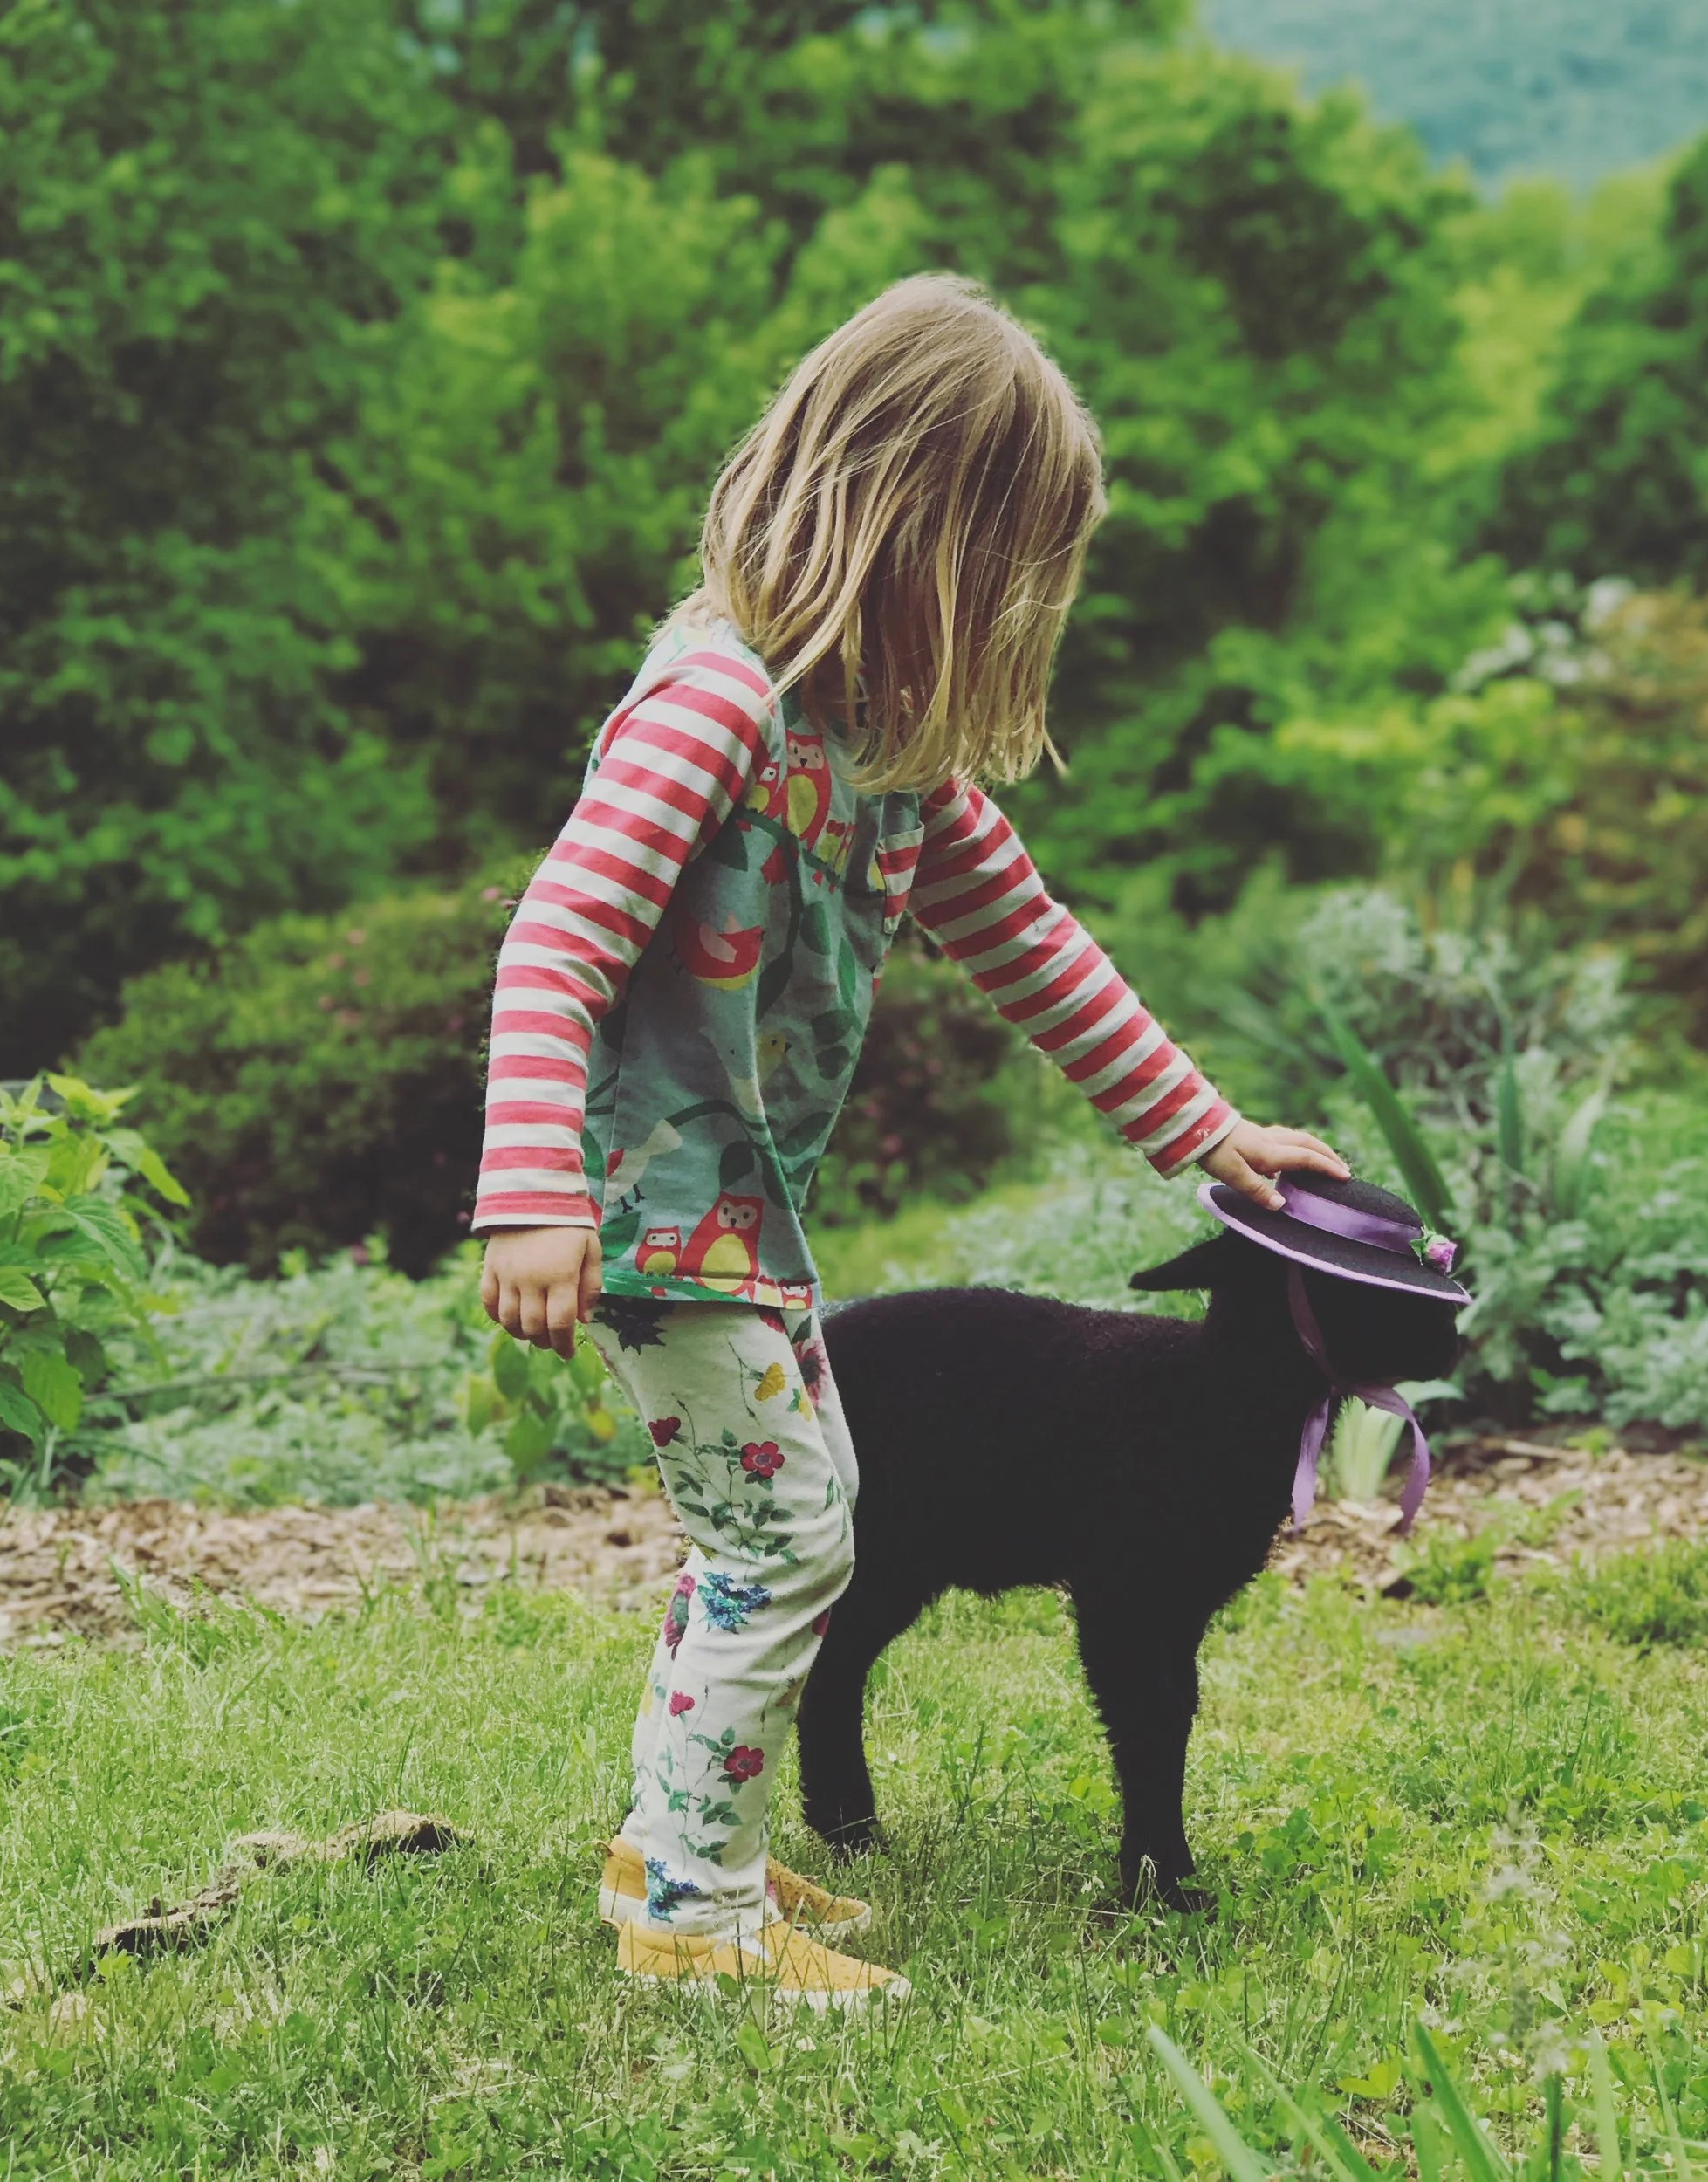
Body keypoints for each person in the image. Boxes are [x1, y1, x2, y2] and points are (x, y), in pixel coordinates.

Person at [473, 273, 1346, 2006]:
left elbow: (1035, 947)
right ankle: (693, 1916)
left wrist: (1210, 1136)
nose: (1020, 621)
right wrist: (530, 1189)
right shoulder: (714, 706)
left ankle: (675, 1844)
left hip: (741, 1222)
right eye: (1010, 574)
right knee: (787, 1543)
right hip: (647, 1216)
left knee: (790, 1527)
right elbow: (554, 938)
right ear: (915, 532)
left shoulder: (877, 749)